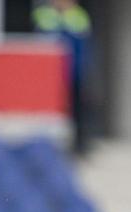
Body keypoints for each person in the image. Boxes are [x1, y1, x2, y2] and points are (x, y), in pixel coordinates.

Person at [33, 0, 92, 153]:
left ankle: (80, 147)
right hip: (50, 77)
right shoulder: (44, 15)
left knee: (78, 112)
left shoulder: (79, 16)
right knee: (52, 115)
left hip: (74, 74)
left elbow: (84, 49)